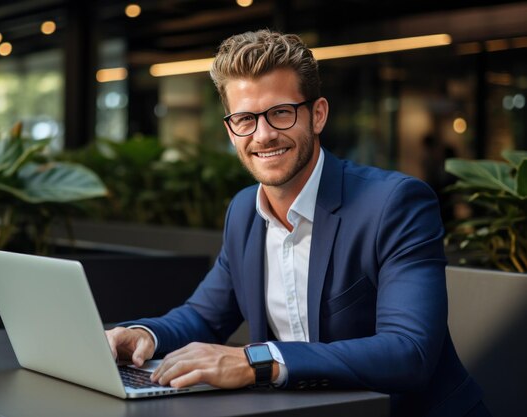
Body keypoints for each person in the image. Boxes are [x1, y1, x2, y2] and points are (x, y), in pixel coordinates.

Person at [106, 30, 489, 417]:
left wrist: (257, 362)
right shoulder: (243, 212)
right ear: (230, 130)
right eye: (245, 119)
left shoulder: (395, 204)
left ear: (317, 114)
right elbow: (204, 316)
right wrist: (142, 336)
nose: (264, 134)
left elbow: (409, 352)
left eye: (281, 112)